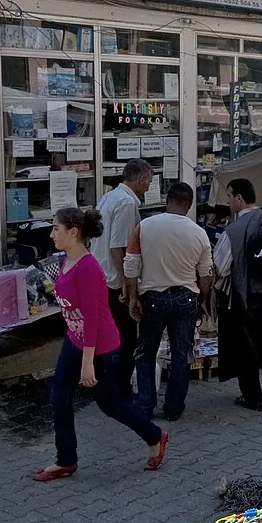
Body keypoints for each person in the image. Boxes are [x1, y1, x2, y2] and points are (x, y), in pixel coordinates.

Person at [31, 205, 168, 481]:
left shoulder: (90, 269)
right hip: (75, 340)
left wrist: (87, 364)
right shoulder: (64, 261)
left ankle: (155, 436)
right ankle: (66, 460)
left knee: (110, 404)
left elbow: (93, 318)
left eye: (56, 228)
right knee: (59, 398)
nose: (51, 234)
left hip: (100, 347)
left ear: (74, 231)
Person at [126, 181, 214, 422]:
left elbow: (131, 265)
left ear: (168, 198)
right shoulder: (199, 233)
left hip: (152, 297)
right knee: (180, 355)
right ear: (189, 204)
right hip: (187, 297)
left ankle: (145, 404)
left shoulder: (144, 227)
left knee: (145, 353)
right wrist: (203, 301)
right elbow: (206, 272)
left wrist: (133, 296)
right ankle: (173, 408)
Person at [214, 178, 262, 411]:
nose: (228, 201)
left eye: (229, 196)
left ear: (239, 198)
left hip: (244, 295)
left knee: (247, 346)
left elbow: (222, 266)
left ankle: (253, 396)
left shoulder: (234, 230)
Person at [98, 159, 152, 375]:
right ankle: (120, 386)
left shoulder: (109, 197)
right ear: (142, 179)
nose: (148, 187)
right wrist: (126, 284)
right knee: (126, 337)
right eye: (148, 182)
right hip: (113, 280)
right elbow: (118, 246)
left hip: (102, 274)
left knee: (112, 334)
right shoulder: (126, 203)